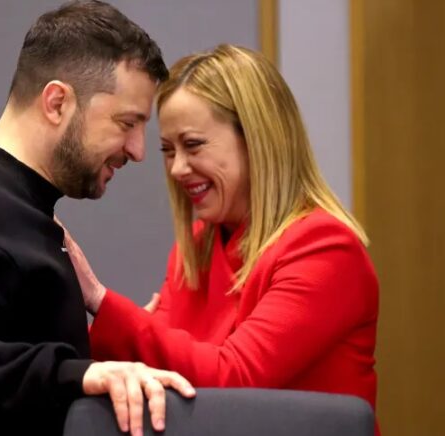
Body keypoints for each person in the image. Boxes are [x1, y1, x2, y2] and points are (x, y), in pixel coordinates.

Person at [0, 2, 195, 436]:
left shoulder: (11, 207)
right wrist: (76, 374)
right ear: (57, 102)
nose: (137, 150)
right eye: (126, 123)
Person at [67, 44, 380, 433]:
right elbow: (156, 364)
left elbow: (236, 379)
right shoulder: (197, 246)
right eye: (168, 150)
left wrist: (100, 300)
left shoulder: (327, 249)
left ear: (258, 139)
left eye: (193, 145)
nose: (178, 168)